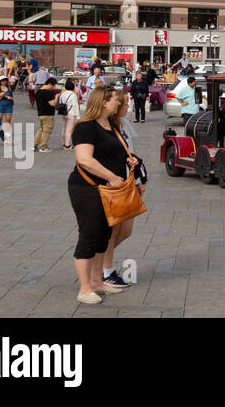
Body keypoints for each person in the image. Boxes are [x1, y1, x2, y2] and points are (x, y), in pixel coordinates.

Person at [67, 87, 135, 304]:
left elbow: (114, 151)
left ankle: (97, 282)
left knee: (103, 235)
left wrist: (129, 159)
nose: (120, 103)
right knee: (89, 235)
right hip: (88, 189)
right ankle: (84, 289)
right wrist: (111, 177)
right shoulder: (86, 127)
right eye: (116, 100)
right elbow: (84, 160)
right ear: (104, 102)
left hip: (109, 190)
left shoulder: (110, 125)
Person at [101, 88, 142, 288]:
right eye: (123, 103)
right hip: (115, 184)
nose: (125, 107)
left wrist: (137, 182)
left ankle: (98, 261)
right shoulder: (107, 127)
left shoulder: (123, 124)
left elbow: (131, 152)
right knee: (113, 230)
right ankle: (105, 270)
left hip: (128, 181)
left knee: (126, 230)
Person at [33, 76, 58, 152]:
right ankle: (44, 147)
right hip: (48, 114)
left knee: (41, 130)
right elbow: (52, 103)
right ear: (50, 84)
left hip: (40, 113)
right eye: (53, 86)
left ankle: (35, 145)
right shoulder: (47, 93)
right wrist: (56, 97)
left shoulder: (38, 91)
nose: (53, 88)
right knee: (47, 131)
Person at [58, 78, 81, 149]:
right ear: (73, 87)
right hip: (71, 114)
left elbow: (59, 103)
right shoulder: (73, 95)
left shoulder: (62, 94)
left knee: (64, 128)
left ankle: (63, 143)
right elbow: (75, 106)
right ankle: (67, 145)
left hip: (64, 112)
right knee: (69, 129)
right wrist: (78, 117)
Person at [0, 76, 16, 143]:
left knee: (8, 119)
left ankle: (7, 131)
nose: (4, 81)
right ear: (0, 81)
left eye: (5, 80)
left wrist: (15, 81)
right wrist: (7, 97)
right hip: (0, 104)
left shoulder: (9, 87)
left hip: (9, 104)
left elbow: (13, 88)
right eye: (2, 80)